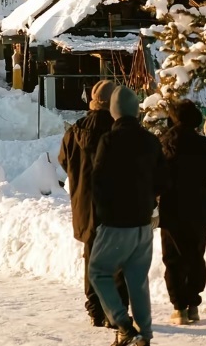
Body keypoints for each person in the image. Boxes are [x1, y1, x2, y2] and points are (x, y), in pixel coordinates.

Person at [89, 86, 168, 346]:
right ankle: (144, 333)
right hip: (143, 223)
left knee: (99, 272)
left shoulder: (109, 141)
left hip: (115, 221)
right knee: (137, 279)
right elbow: (162, 180)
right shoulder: (151, 141)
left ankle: (123, 323)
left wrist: (102, 212)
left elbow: (97, 180)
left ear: (114, 112)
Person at [60, 81, 128, 329]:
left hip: (84, 205)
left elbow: (64, 161)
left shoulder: (74, 131)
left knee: (92, 257)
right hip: (115, 206)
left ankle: (95, 311)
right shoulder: (119, 132)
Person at [159, 100, 206, 325]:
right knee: (195, 255)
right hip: (199, 208)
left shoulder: (165, 143)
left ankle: (179, 308)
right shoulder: (205, 145)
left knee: (173, 258)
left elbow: (158, 178)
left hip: (172, 207)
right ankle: (193, 304)